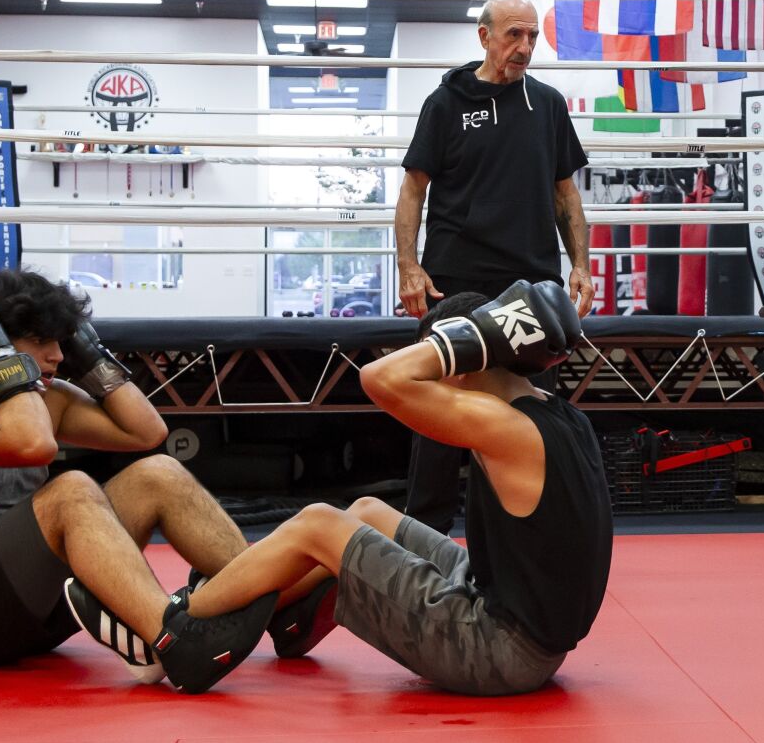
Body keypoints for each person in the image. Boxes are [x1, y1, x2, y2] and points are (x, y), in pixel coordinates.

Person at [180, 280, 613, 696]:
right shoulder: (554, 411)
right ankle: (281, 615)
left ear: (464, 363)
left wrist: (469, 339)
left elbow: (379, 378)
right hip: (519, 619)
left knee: (317, 524)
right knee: (368, 511)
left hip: (501, 651)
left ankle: (178, 625)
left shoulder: (502, 425)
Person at [0, 270, 280, 694]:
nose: (58, 354)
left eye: (63, 341)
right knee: (71, 490)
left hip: (35, 612)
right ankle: (175, 642)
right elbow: (33, 444)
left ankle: (278, 605)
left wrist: (91, 358)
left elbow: (146, 433)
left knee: (158, 474)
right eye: (43, 341)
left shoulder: (42, 399)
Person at [394, 0, 594, 532]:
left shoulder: (548, 105)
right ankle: (425, 531)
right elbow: (413, 191)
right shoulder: (446, 104)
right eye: (514, 35)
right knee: (440, 403)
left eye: (532, 36)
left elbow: (565, 194)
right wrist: (409, 267)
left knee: (532, 406)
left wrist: (581, 265)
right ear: (484, 36)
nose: (525, 47)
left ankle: (535, 528)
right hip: (455, 279)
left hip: (530, 283)